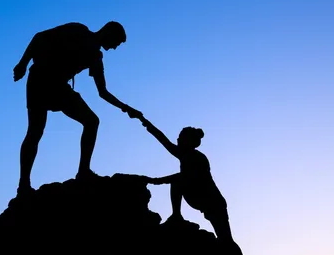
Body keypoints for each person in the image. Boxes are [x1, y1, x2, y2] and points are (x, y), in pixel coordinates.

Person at [13, 21, 140, 196]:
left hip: (59, 87)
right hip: (40, 79)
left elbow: (102, 92)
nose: (114, 48)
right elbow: (39, 37)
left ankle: (83, 171)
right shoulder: (78, 30)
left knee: (92, 121)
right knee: (35, 131)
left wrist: (126, 108)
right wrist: (22, 64)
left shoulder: (96, 58)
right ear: (108, 31)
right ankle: (24, 185)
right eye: (116, 42)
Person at [133, 113, 234, 241]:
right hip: (200, 198)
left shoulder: (197, 158)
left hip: (213, 202)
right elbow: (163, 139)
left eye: (181, 138)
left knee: (226, 240)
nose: (178, 140)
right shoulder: (185, 154)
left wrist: (154, 181)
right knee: (177, 182)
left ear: (190, 142)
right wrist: (144, 121)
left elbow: (183, 177)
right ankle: (176, 215)